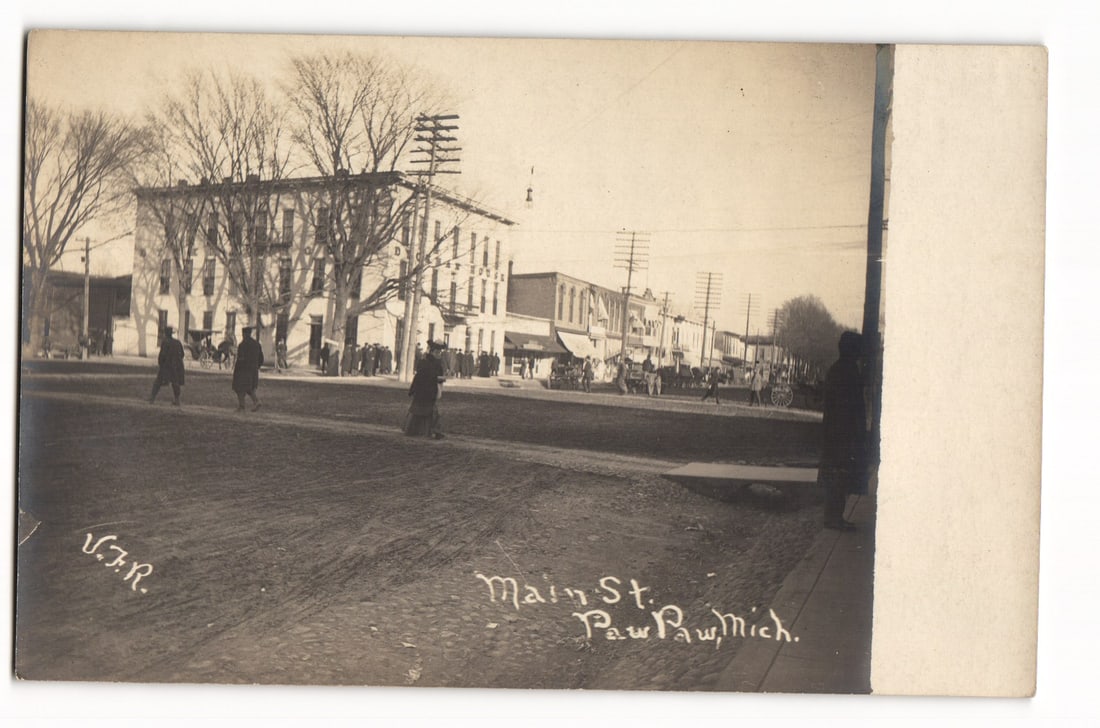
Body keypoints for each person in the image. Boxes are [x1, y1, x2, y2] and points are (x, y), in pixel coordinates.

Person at [818, 331, 868, 531]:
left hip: (836, 433)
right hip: (842, 434)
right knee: (839, 476)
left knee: (837, 476)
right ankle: (833, 518)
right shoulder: (847, 371)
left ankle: (834, 516)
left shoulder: (838, 369)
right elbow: (849, 407)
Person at [405, 340, 446, 439]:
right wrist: (439, 379)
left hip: (425, 390)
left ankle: (414, 430)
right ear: (431, 352)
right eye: (437, 352)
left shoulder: (432, 362)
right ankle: (434, 431)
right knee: (430, 410)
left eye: (439, 352)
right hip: (426, 390)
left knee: (419, 410)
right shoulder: (426, 362)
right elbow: (425, 376)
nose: (438, 354)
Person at [149, 325, 186, 405]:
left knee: (158, 382)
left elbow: (162, 355)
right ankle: (177, 400)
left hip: (167, 366)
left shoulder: (165, 342)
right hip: (177, 366)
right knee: (175, 383)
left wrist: (161, 363)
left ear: (165, 334)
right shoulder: (177, 342)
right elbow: (182, 354)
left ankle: (152, 398)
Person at [232, 326, 264, 411]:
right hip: (253, 371)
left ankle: (242, 406)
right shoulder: (257, 344)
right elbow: (261, 359)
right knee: (249, 388)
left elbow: (240, 359)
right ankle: (256, 401)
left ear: (244, 334)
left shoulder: (242, 345)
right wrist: (256, 367)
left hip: (243, 370)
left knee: (238, 387)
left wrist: (237, 370)